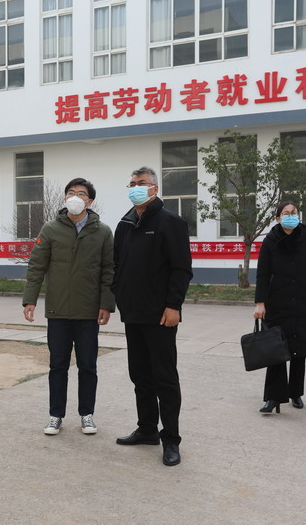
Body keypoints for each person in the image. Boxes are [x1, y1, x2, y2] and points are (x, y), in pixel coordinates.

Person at [112, 166, 192, 467]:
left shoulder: (171, 222)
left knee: (164, 378)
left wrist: (174, 306)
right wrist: (119, 294)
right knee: (140, 375)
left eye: (142, 183)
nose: (136, 187)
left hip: (161, 316)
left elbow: (181, 268)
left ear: (154, 189)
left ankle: (171, 439)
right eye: (132, 183)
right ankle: (147, 429)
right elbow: (117, 265)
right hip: (133, 313)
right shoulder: (125, 224)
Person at [22, 178, 115, 436]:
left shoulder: (103, 232)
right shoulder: (50, 229)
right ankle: (55, 415)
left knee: (88, 366)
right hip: (58, 310)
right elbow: (36, 266)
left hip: (88, 311)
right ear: (65, 198)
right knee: (58, 365)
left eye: (81, 194)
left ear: (90, 201)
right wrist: (30, 299)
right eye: (71, 193)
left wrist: (106, 304)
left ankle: (87, 414)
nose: (75, 197)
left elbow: (109, 270)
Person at [253, 201, 306, 414]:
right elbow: (262, 274)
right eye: (286, 213)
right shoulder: (270, 242)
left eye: (294, 212)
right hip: (277, 303)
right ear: (278, 218)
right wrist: (260, 303)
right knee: (276, 350)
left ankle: (295, 393)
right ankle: (273, 398)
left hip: (302, 303)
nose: (290, 215)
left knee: (298, 350)